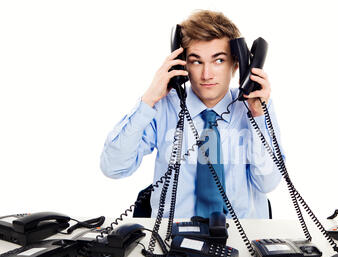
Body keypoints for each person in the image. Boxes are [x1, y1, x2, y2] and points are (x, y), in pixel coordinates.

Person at [100, 10, 285, 219]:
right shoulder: (163, 107)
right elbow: (113, 167)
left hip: (242, 240)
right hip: (173, 241)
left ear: (237, 64)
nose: (207, 74)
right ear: (182, 63)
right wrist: (149, 99)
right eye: (196, 61)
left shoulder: (256, 108)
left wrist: (258, 115)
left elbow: (268, 183)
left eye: (218, 60)